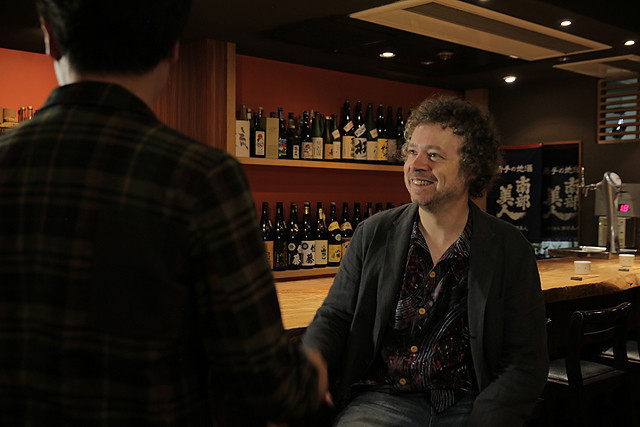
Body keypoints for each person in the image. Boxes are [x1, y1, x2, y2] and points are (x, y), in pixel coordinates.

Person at [0, 0, 327, 425]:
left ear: (49, 37)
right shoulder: (202, 177)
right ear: (173, 47)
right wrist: (313, 373)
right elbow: (268, 385)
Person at [302, 96, 549, 426]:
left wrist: (488, 419)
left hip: (470, 402)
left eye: (433, 155)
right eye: (411, 152)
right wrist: (313, 358)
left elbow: (525, 358)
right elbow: (336, 315)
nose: (416, 164)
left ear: (471, 168)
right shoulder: (373, 233)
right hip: (382, 400)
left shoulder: (509, 248)